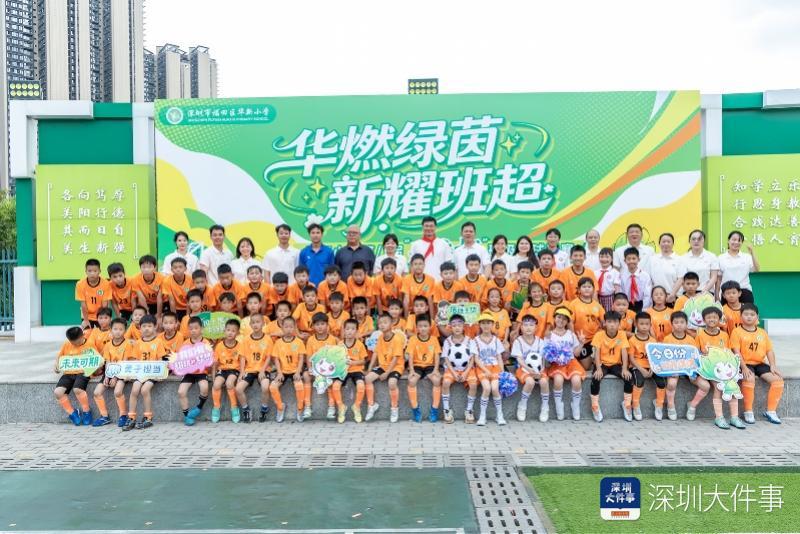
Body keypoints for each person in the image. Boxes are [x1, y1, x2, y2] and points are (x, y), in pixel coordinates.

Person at [731, 303, 783, 424]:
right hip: (744, 363)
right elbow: (736, 351)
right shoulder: (736, 331)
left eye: (752, 314)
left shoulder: (762, 332)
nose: (749, 317)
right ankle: (748, 411)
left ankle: (771, 411)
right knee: (749, 378)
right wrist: (743, 367)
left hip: (759, 363)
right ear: (741, 316)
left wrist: (773, 365)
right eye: (746, 314)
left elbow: (769, 350)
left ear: (757, 317)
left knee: (778, 380)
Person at [694, 307, 744, 430]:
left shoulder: (724, 335)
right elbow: (696, 353)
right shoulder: (700, 334)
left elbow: (728, 354)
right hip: (710, 370)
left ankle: (734, 417)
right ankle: (719, 417)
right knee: (718, 387)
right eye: (709, 317)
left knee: (732, 387)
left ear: (719, 319)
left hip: (724, 370)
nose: (712, 320)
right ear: (704, 320)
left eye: (715, 317)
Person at [123, 315, 167, 431]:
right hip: (141, 373)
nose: (146, 328)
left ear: (155, 327)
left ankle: (148, 417)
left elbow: (161, 360)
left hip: (153, 374)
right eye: (144, 326)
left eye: (149, 326)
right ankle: (131, 417)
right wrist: (130, 374)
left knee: (145, 390)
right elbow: (134, 360)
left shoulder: (158, 342)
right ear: (140, 328)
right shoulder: (137, 343)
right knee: (134, 390)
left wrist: (160, 374)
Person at [590, 310, 632, 422]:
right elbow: (597, 353)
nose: (612, 325)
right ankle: (594, 405)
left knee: (628, 377)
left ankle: (627, 404)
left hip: (616, 364)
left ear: (619, 323)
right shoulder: (599, 335)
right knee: (596, 378)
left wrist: (625, 369)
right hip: (602, 364)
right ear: (605, 323)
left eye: (615, 322)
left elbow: (624, 352)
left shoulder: (622, 334)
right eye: (609, 322)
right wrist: (598, 369)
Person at [544, 308, 585, 420]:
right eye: (559, 317)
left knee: (576, 380)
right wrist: (552, 358)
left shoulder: (571, 334)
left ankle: (575, 405)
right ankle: (559, 405)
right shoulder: (549, 335)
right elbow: (546, 353)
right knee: (558, 380)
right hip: (556, 364)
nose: (561, 320)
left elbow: (576, 353)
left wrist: (581, 343)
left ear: (567, 322)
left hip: (571, 362)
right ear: (554, 318)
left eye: (564, 319)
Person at [365, 313, 406, 423]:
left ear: (391, 324)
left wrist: (387, 373)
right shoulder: (380, 337)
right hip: (383, 365)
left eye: (385, 322)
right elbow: (375, 353)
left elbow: (396, 358)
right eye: (380, 323)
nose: (382, 325)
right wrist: (370, 367)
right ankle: (371, 405)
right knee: (367, 379)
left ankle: (394, 408)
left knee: (392, 383)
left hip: (396, 366)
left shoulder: (397, 339)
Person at [93, 318, 132, 427]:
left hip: (123, 372)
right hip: (110, 371)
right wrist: (107, 376)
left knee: (117, 392)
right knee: (97, 392)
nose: (118, 331)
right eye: (115, 329)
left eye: (121, 329)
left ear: (125, 330)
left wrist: (115, 377)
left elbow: (124, 363)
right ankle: (104, 416)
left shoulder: (128, 344)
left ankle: (123, 415)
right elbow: (108, 362)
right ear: (111, 330)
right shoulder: (108, 345)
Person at [440, 314, 479, 424]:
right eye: (454, 326)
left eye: (459, 325)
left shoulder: (470, 341)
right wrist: (453, 372)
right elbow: (446, 358)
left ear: (463, 327)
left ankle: (469, 410)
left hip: (467, 369)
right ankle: (446, 410)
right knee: (445, 383)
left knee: (473, 385)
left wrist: (466, 372)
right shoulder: (447, 342)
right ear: (450, 327)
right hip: (452, 369)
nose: (457, 328)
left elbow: (472, 358)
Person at [53, 326, 95, 426]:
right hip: (68, 373)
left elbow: (95, 360)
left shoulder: (89, 344)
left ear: (82, 336)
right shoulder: (66, 344)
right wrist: (56, 366)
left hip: (83, 372)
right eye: (72, 343)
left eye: (77, 342)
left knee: (77, 389)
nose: (74, 345)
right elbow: (59, 357)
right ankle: (72, 413)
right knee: (58, 392)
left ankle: (86, 411)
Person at [236, 312, 273, 424]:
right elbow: (242, 357)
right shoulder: (246, 340)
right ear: (250, 325)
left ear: (263, 323)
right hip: (249, 369)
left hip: (263, 369)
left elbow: (269, 357)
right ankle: (246, 410)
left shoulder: (268, 339)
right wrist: (242, 372)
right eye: (253, 322)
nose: (255, 324)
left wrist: (262, 370)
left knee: (265, 387)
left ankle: (264, 409)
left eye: (258, 322)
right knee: (238, 389)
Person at [627, 312, 664, 421]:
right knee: (639, 381)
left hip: (651, 366)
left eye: (647, 324)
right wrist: (642, 370)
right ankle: (635, 405)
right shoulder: (632, 340)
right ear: (636, 324)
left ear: (650, 325)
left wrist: (652, 368)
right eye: (641, 324)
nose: (644, 326)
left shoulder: (653, 341)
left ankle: (659, 404)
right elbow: (631, 358)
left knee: (661, 383)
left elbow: (655, 357)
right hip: (637, 366)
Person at [269, 316, 306, 423]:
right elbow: (276, 359)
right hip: (283, 371)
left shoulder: (298, 342)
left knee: (299, 386)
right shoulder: (278, 343)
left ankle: (300, 408)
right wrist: (279, 373)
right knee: (273, 387)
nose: (288, 329)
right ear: (282, 328)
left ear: (294, 328)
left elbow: (301, 358)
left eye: (291, 327)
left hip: (295, 371)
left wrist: (298, 372)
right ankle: (280, 407)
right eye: (286, 327)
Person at [405, 314, 442, 423]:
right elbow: (410, 355)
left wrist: (436, 369)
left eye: (425, 326)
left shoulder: (434, 339)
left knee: (437, 380)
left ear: (430, 327)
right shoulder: (413, 339)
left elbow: (437, 355)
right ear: (417, 327)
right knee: (411, 381)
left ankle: (434, 409)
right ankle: (415, 409)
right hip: (417, 365)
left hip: (430, 366)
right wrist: (411, 370)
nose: (423, 328)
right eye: (420, 326)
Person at [512, 316, 548, 422]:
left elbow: (543, 358)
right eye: (525, 325)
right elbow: (519, 359)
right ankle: (522, 405)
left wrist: (541, 370)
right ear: (521, 327)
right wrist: (529, 369)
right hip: (523, 369)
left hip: (539, 369)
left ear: (536, 327)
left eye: (531, 325)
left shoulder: (540, 341)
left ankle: (545, 407)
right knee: (530, 382)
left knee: (544, 382)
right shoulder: (518, 341)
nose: (528, 328)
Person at [473, 312, 507, 426]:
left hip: (495, 367)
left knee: (495, 388)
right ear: (479, 325)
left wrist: (502, 372)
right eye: (483, 323)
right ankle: (482, 416)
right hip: (482, 368)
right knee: (487, 388)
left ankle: (499, 415)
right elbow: (476, 359)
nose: (486, 325)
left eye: (488, 323)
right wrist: (485, 370)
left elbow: (499, 357)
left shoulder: (496, 340)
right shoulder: (475, 340)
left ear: (492, 324)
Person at [304, 312, 339, 420]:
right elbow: (308, 356)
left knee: (330, 378)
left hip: (327, 369)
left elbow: (335, 357)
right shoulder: (311, 340)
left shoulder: (332, 339)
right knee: (305, 376)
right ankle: (307, 406)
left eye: (322, 324)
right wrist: (310, 368)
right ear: (313, 326)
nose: (320, 327)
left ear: (327, 325)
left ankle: (331, 407)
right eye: (317, 324)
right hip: (315, 368)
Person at [177, 316, 212, 426]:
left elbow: (209, 360)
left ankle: (198, 408)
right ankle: (187, 416)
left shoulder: (206, 342)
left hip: (201, 372)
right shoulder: (185, 343)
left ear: (201, 329)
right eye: (191, 328)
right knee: (181, 392)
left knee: (204, 387)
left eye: (196, 328)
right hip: (189, 373)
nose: (193, 331)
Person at [333, 319, 368, 423]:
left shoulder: (360, 344)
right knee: (335, 386)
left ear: (356, 331)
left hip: (356, 369)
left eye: (352, 329)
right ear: (344, 330)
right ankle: (341, 407)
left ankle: (356, 406)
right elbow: (336, 359)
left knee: (361, 385)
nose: (350, 331)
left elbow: (363, 361)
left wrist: (353, 363)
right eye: (347, 329)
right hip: (343, 370)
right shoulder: (340, 344)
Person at [660, 311, 693, 421]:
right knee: (672, 383)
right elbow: (665, 357)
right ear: (672, 324)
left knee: (704, 386)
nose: (679, 325)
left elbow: (694, 357)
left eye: (682, 322)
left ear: (686, 324)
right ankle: (670, 405)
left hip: (687, 367)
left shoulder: (691, 340)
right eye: (676, 322)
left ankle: (692, 405)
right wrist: (672, 369)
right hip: (673, 367)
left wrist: (692, 371)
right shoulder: (667, 339)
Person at [210, 318, 243, 424]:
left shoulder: (240, 346)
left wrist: (241, 374)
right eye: (228, 330)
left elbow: (242, 360)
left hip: (234, 369)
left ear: (237, 333)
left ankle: (234, 408)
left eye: (233, 331)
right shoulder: (219, 346)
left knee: (229, 383)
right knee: (216, 385)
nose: (230, 333)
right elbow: (215, 363)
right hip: (222, 369)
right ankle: (216, 408)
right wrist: (213, 376)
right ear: (224, 331)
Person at [569, 278, 604, 371]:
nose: (587, 289)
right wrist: (573, 337)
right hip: (582, 340)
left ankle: (595, 359)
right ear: (579, 290)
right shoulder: (573, 304)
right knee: (586, 367)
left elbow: (604, 321)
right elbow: (570, 322)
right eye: (584, 287)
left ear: (593, 289)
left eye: (589, 287)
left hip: (595, 339)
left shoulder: (597, 305)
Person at [717, 230, 759, 303]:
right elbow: (719, 279)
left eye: (739, 240)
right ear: (728, 241)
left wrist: (752, 253)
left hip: (744, 291)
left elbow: (757, 269)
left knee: (747, 310)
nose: (736, 242)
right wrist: (717, 295)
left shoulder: (747, 257)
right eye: (734, 240)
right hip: (727, 292)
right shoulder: (721, 258)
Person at [408, 216, 453, 281]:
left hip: (440, 282)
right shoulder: (415, 244)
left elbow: (449, 265)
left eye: (431, 226)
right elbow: (411, 266)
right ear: (422, 227)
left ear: (435, 227)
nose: (429, 228)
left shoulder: (444, 244)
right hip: (421, 283)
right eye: (426, 226)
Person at [647, 233, 686, 303]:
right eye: (663, 241)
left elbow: (681, 278)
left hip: (673, 297)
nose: (666, 244)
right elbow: (649, 278)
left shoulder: (679, 259)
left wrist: (672, 294)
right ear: (659, 243)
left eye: (668, 241)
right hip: (656, 298)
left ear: (673, 244)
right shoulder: (652, 259)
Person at [75, 258, 111, 329]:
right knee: (87, 333)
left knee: (103, 334)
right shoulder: (80, 284)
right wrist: (86, 320)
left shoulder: (106, 283)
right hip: (87, 316)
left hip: (100, 315)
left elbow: (105, 305)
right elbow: (83, 305)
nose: (92, 273)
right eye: (89, 271)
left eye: (95, 271)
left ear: (99, 271)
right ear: (86, 271)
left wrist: (103, 319)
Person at [682, 229, 719, 294]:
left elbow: (714, 277)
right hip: (688, 293)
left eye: (699, 239)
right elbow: (681, 278)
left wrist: (704, 291)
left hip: (707, 292)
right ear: (689, 241)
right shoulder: (683, 258)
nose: (696, 241)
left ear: (704, 241)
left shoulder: (712, 256)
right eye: (693, 239)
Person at [619, 247, 653, 312]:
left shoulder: (645, 276)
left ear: (638, 259)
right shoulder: (622, 276)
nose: (631, 261)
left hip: (641, 304)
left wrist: (644, 310)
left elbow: (647, 295)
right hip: (627, 305)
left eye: (634, 258)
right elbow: (621, 293)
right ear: (625, 261)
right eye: (628, 259)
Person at [595, 247, 621, 311]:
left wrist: (616, 302)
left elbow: (617, 290)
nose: (604, 259)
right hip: (598, 298)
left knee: (610, 315)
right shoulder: (595, 272)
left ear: (612, 259)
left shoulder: (615, 272)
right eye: (601, 257)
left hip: (610, 298)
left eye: (607, 257)